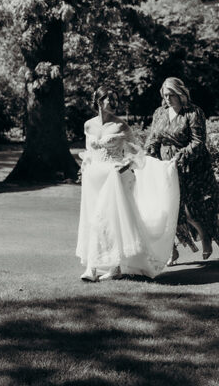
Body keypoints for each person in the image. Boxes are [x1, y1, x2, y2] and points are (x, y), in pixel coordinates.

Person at [76, 89, 179, 281]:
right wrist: (86, 165)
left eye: (117, 99)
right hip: (94, 179)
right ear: (99, 101)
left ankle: (97, 268)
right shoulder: (88, 124)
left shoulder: (121, 126)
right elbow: (89, 151)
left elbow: (137, 153)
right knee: (92, 218)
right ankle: (107, 267)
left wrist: (123, 167)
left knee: (107, 219)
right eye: (110, 99)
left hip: (115, 178)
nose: (115, 102)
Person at [145, 77, 219, 264]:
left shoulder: (193, 112)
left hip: (191, 167)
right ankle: (171, 250)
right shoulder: (159, 113)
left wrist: (180, 156)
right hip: (165, 166)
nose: (168, 99)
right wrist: (147, 155)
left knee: (189, 211)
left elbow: (198, 142)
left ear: (181, 94)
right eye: (165, 95)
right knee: (166, 209)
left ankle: (204, 235)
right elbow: (153, 138)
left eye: (171, 95)